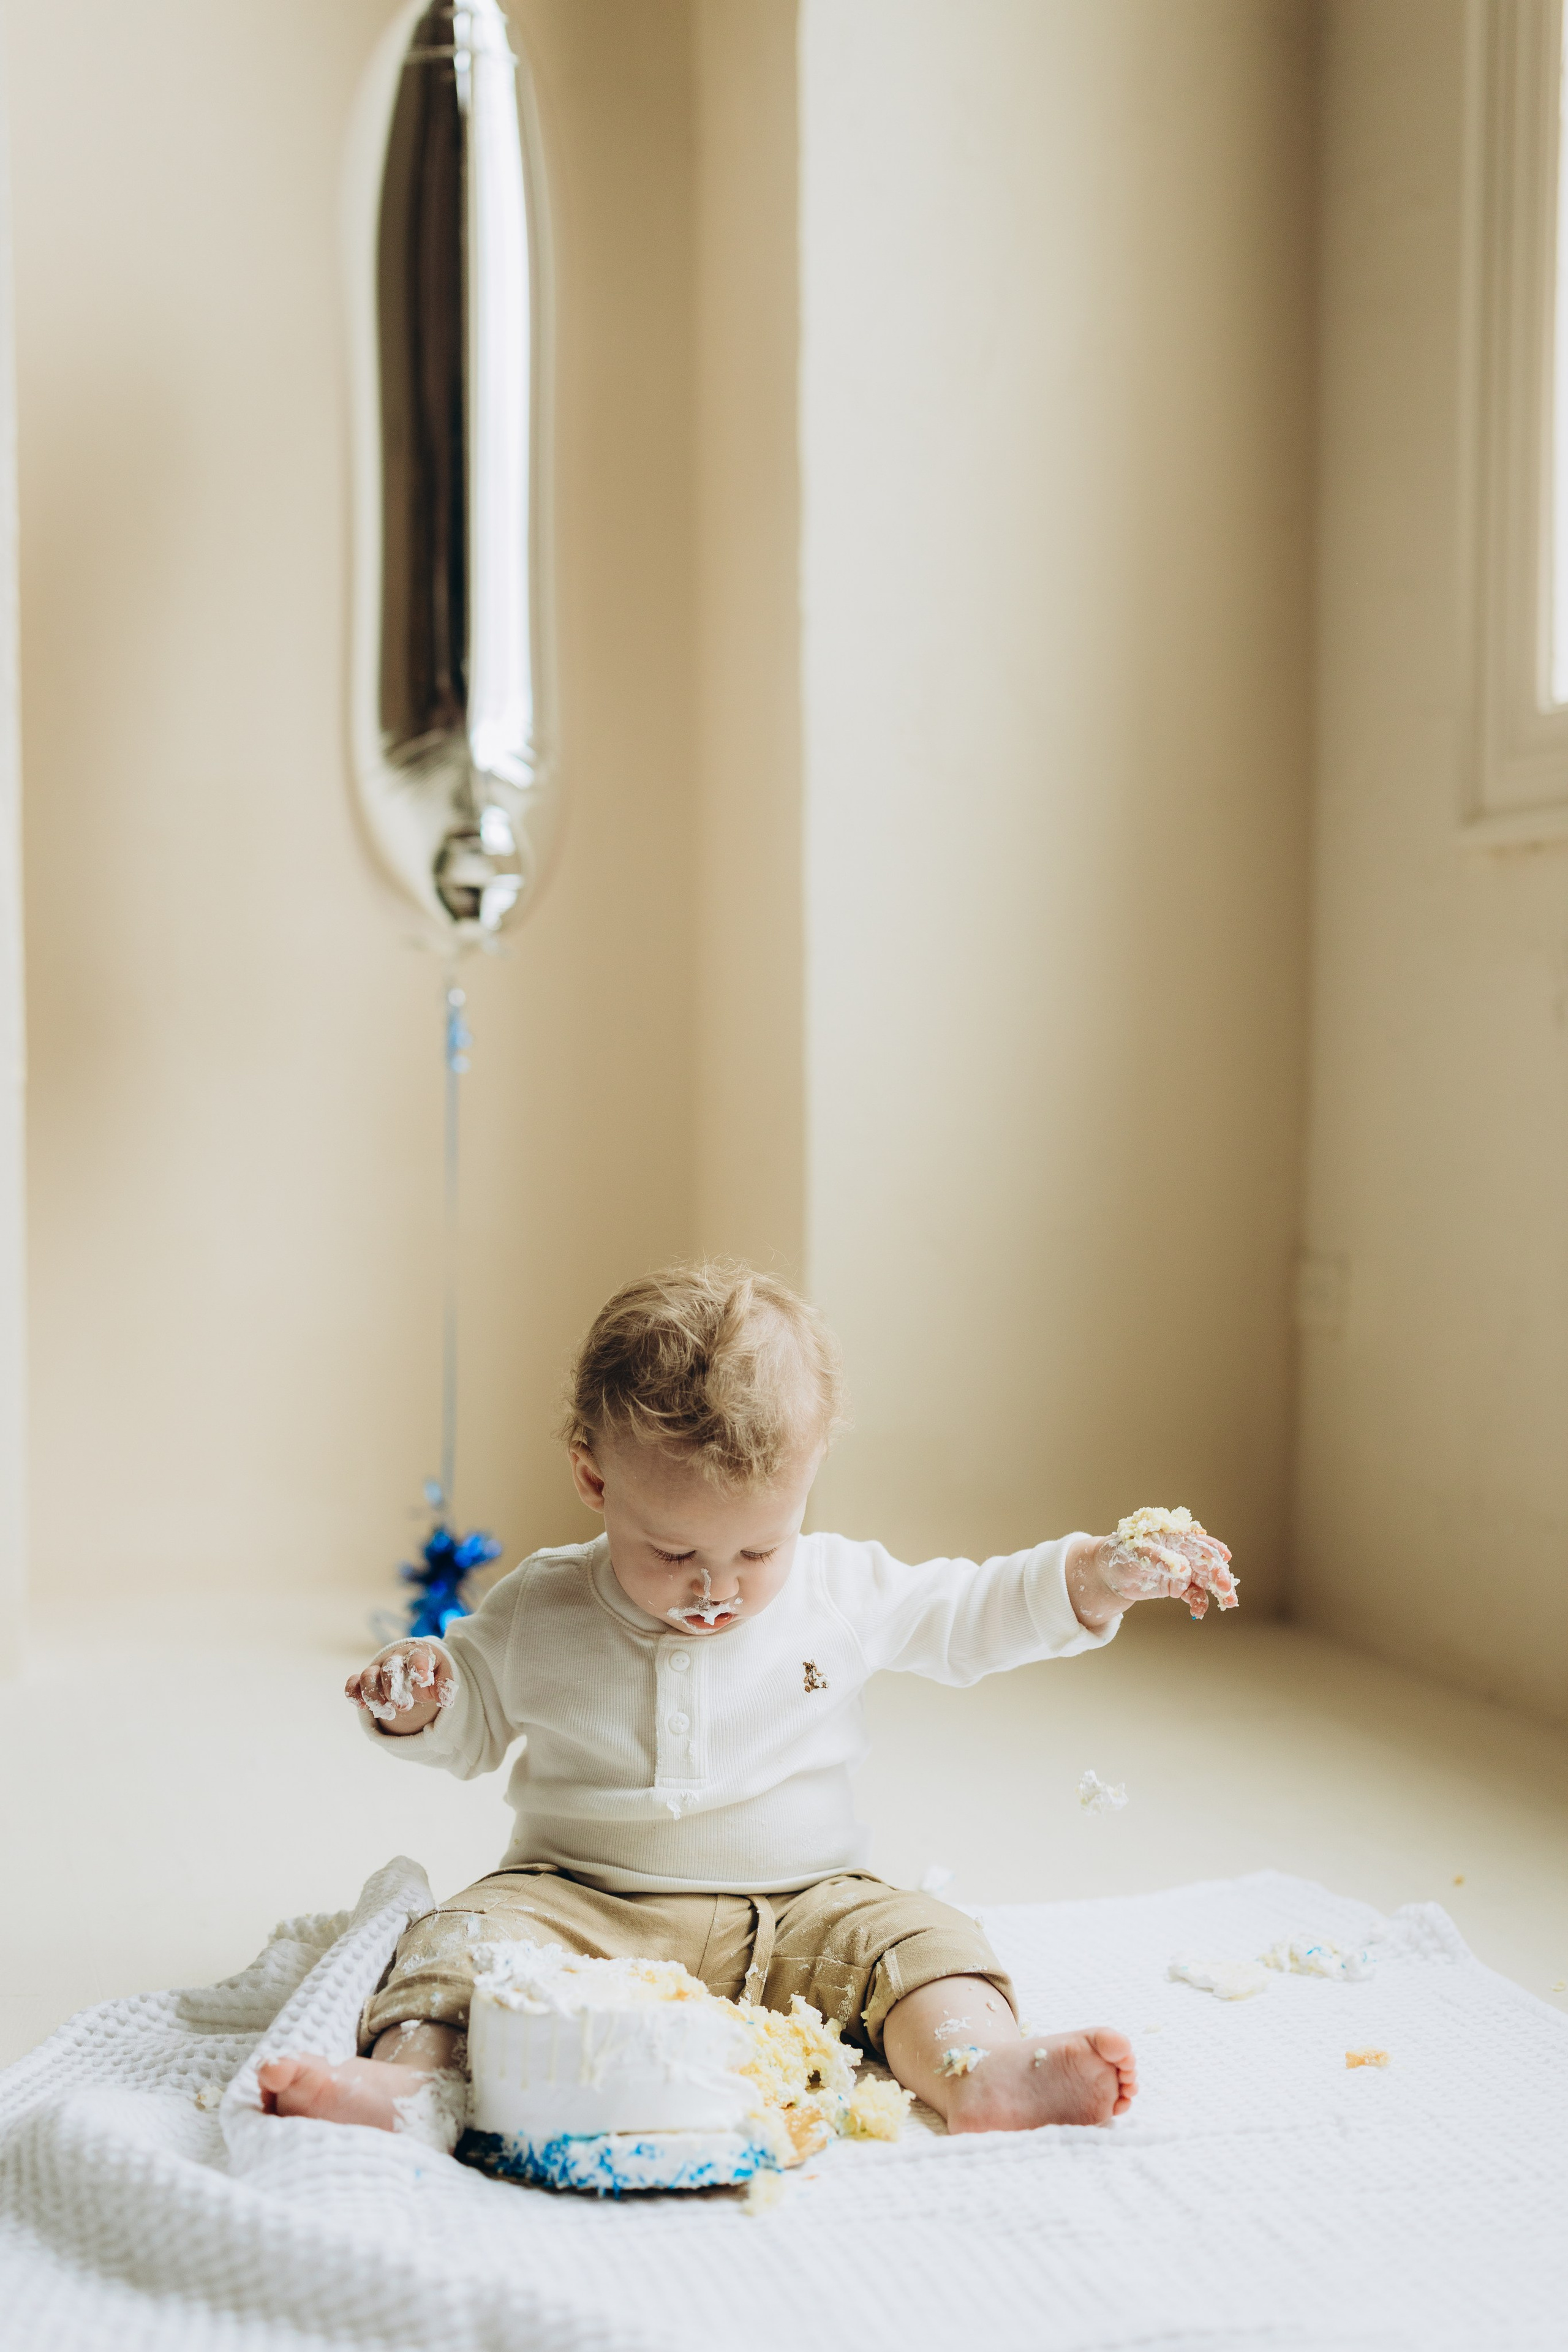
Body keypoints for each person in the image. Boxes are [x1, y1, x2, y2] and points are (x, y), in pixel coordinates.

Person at [259, 1263, 1235, 2139]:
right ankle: (414, 2085)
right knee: (459, 1941)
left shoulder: (838, 1590)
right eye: (674, 1553)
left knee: (929, 1943)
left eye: (758, 1551)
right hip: (580, 1902)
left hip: (806, 1907)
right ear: (594, 1478)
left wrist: (1098, 1576)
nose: (715, 1588)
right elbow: (469, 1718)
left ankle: (982, 2072)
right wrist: (419, 1701)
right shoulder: (542, 1603)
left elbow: (971, 1609)